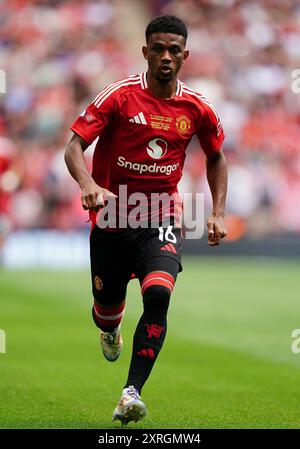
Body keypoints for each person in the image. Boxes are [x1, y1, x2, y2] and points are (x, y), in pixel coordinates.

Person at [64, 15, 228, 425]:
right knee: (107, 310)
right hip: (112, 216)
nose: (166, 57)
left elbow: (217, 157)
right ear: (145, 52)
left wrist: (218, 211)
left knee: (158, 295)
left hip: (160, 215)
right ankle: (108, 327)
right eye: (158, 49)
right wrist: (87, 184)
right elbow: (73, 146)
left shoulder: (197, 107)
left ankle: (130, 393)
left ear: (185, 55)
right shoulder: (118, 97)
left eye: (174, 50)